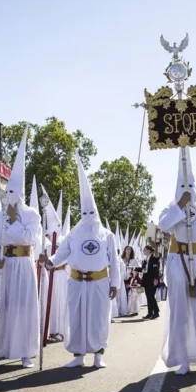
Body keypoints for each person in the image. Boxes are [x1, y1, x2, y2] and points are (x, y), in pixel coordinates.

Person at [44, 151, 119, 368]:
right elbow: (62, 253)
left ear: (95, 212)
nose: (87, 217)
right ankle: (78, 356)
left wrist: (114, 284)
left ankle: (98, 355)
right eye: (84, 213)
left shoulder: (107, 235)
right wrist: (50, 261)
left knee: (98, 319)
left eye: (90, 213)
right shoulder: (74, 233)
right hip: (76, 281)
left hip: (99, 282)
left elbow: (114, 262)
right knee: (76, 317)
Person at [0, 131, 42, 369]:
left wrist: (14, 220)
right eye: (8, 193)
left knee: (23, 308)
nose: (11, 197)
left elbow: (29, 239)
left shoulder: (32, 215)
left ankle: (25, 353)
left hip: (24, 265)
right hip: (4, 266)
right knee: (0, 308)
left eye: (15, 193)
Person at [157, 146, 196, 375]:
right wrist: (179, 206)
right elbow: (163, 225)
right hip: (178, 262)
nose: (187, 191)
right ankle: (182, 358)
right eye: (183, 187)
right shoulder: (171, 207)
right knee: (181, 312)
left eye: (190, 187)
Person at [141, 245, 161, 319]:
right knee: (148, 297)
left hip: (152, 280)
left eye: (145, 250)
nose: (143, 251)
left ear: (149, 251)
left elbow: (156, 269)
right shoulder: (145, 260)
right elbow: (144, 269)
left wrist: (156, 279)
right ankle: (150, 312)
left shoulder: (154, 259)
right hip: (146, 280)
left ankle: (156, 312)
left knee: (151, 296)